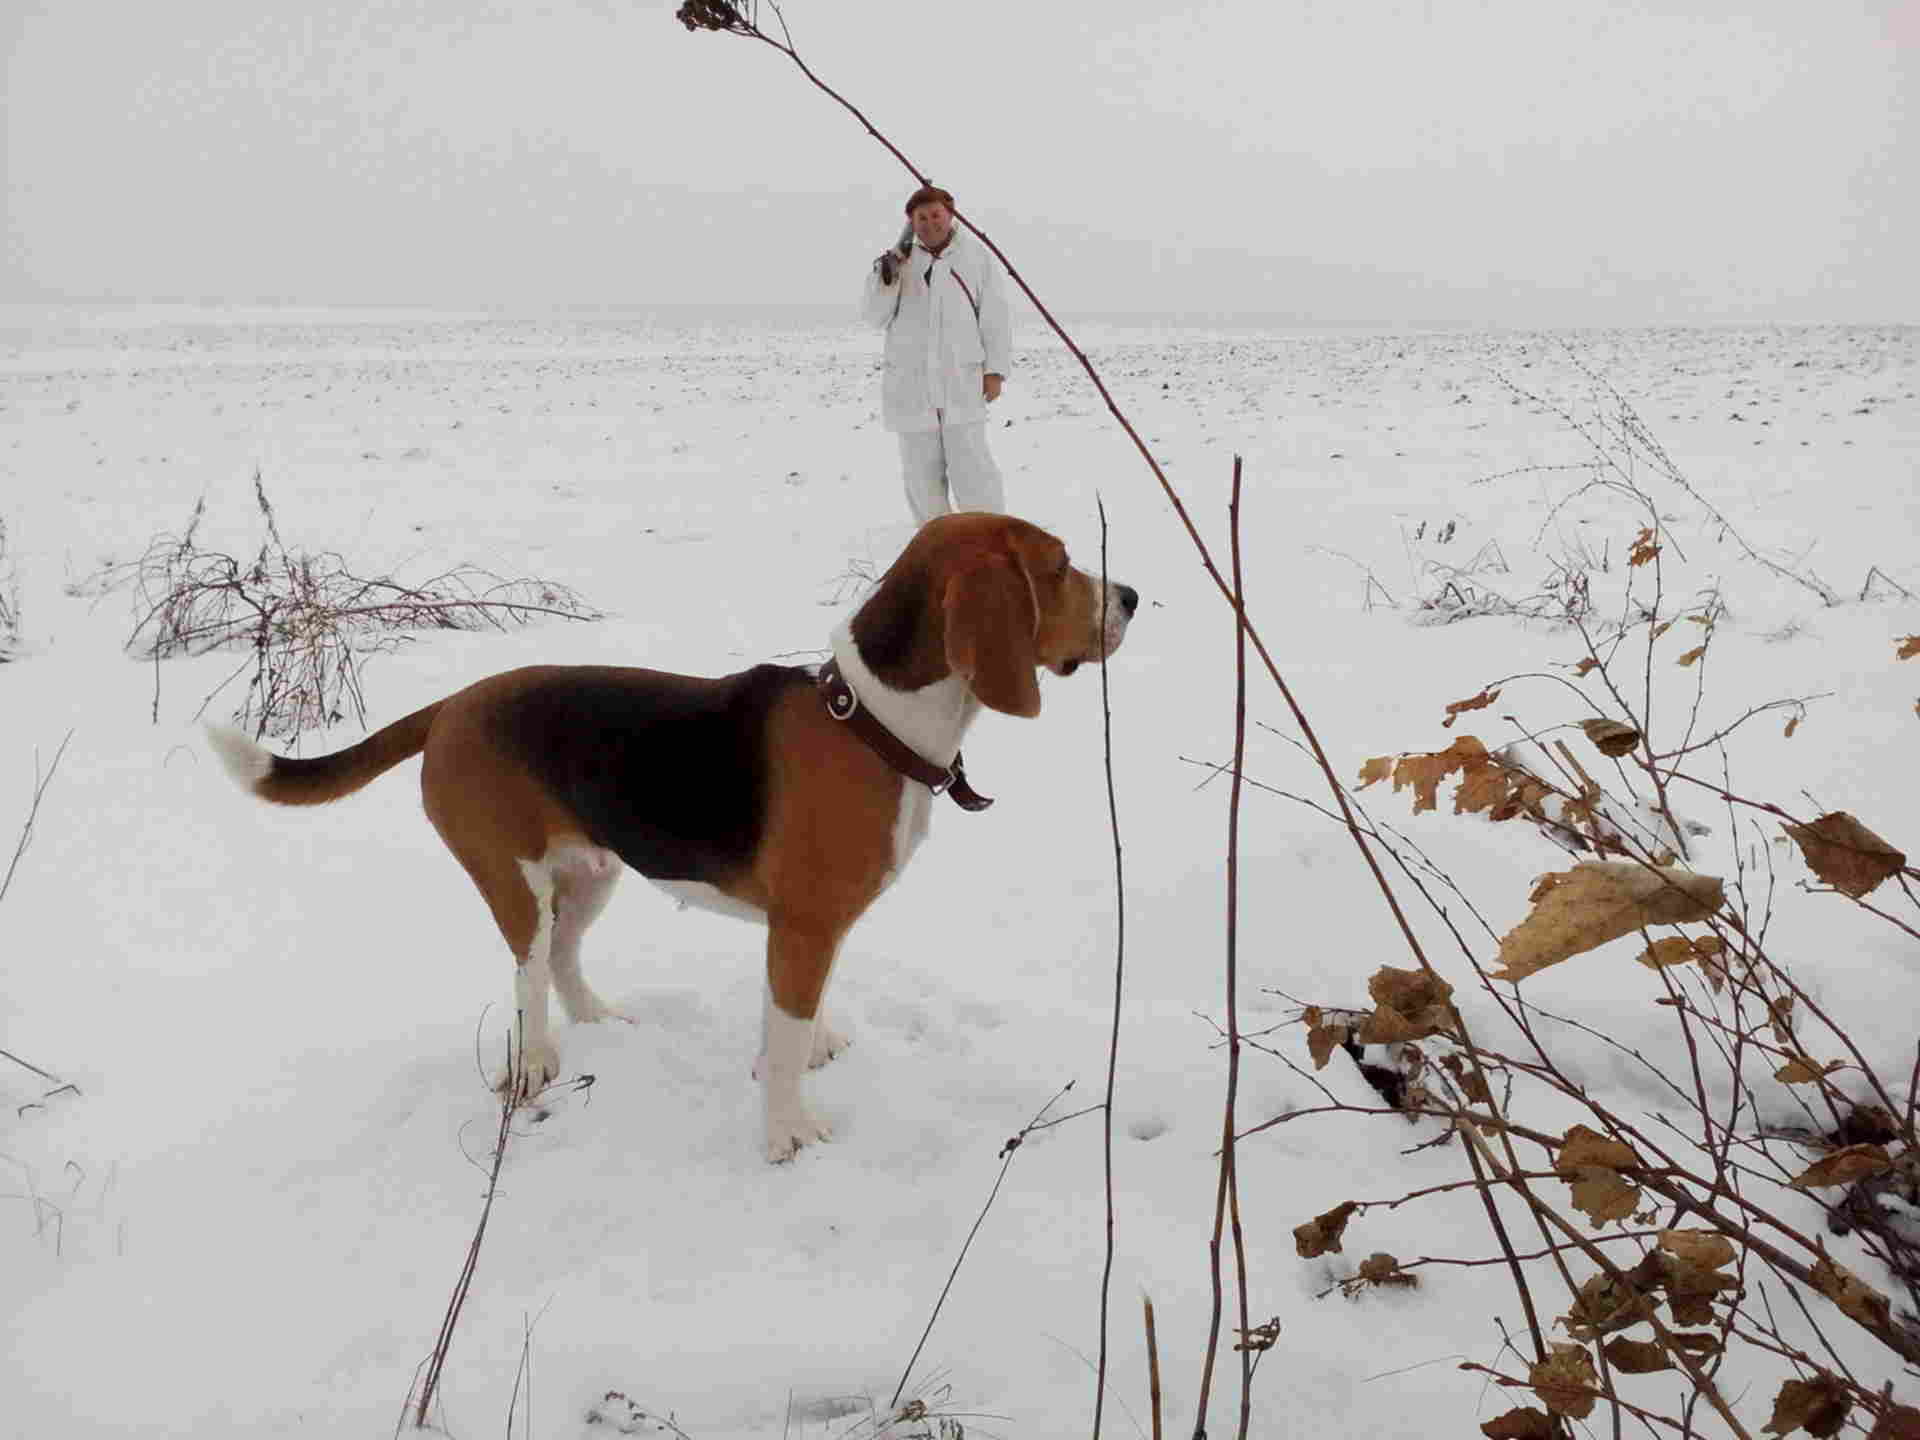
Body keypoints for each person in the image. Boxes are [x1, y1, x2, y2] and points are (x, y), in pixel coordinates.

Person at [860, 184, 1013, 526]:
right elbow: (874, 316)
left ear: (951, 215)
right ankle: (937, 544)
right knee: (922, 480)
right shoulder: (897, 262)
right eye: (921, 217)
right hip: (912, 389)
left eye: (936, 215)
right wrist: (887, 275)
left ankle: (989, 538)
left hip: (962, 383)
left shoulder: (976, 257)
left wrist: (995, 371)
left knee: (975, 472)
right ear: (911, 222)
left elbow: (995, 316)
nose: (930, 223)